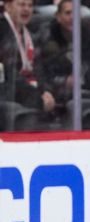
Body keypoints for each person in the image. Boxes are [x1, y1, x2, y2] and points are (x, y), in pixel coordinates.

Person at [36, 0, 90, 117]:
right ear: (58, 17)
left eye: (75, 13)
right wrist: (64, 81)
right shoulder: (47, 40)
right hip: (58, 96)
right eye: (68, 13)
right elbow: (42, 73)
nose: (72, 17)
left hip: (88, 92)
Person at [0, 0, 56, 129]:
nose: (26, 9)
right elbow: (9, 71)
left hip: (28, 91)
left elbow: (40, 68)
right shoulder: (2, 30)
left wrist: (46, 91)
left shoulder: (32, 33)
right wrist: (37, 95)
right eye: (21, 4)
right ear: (8, 7)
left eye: (30, 5)